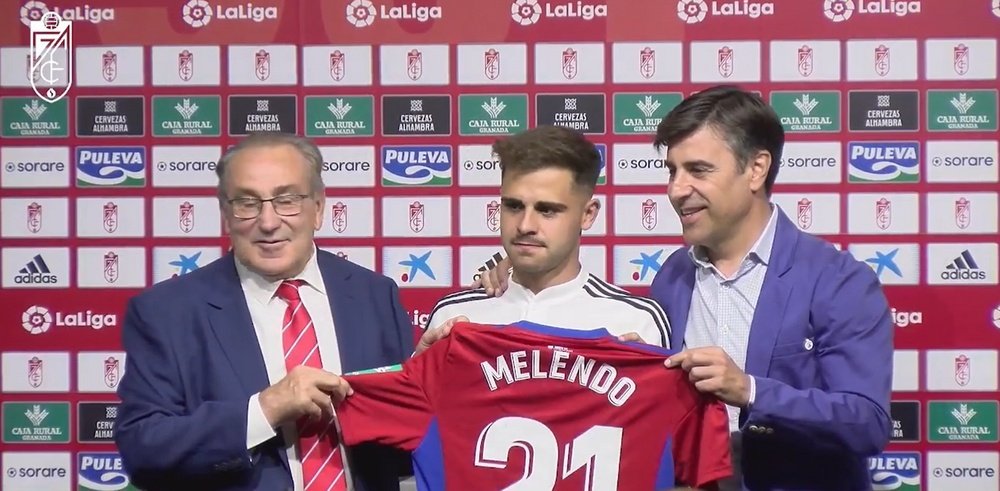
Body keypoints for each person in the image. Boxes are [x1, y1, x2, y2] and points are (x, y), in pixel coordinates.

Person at [468, 86, 894, 490]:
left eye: (698, 170)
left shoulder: (839, 280)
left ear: (756, 169)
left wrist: (749, 390)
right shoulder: (673, 275)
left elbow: (867, 422)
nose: (676, 190)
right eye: (672, 170)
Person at [115, 132, 415, 491]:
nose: (269, 222)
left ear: (318, 208)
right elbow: (143, 449)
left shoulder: (374, 295)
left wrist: (428, 386)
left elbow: (403, 450)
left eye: (287, 200)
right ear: (226, 213)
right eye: (247, 203)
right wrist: (265, 409)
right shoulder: (167, 312)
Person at [421, 125, 671, 349]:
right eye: (514, 206)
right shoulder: (453, 315)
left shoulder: (637, 321)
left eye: (547, 210)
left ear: (588, 214)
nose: (525, 225)